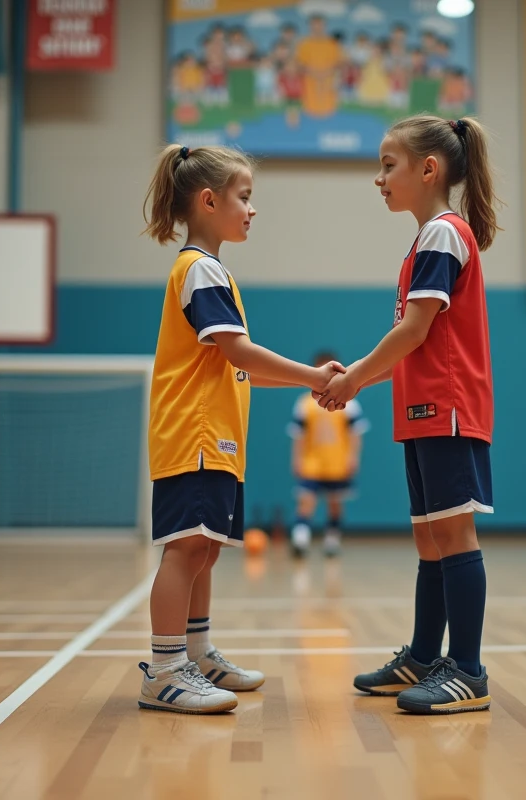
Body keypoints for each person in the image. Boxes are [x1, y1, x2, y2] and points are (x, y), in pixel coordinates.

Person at [139, 143, 343, 714]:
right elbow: (240, 350)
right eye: (244, 197)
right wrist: (312, 375)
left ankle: (198, 655)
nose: (252, 210)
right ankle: (163, 669)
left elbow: (236, 364)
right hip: (194, 435)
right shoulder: (199, 269)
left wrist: (307, 383)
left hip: (219, 438)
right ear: (208, 201)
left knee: (206, 550)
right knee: (186, 550)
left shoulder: (214, 271)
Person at [317, 115, 499, 715]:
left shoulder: (444, 234)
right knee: (429, 538)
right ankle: (425, 656)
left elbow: (414, 331)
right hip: (422, 411)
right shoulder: (426, 240)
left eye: (388, 165)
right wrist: (363, 381)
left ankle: (467, 670)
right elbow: (414, 339)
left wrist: (354, 380)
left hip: (447, 408)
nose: (379, 179)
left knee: (453, 533)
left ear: (429, 169)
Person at [288, 350, 368, 557]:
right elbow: (299, 435)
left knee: (335, 503)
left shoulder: (349, 402)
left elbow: (355, 433)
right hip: (312, 461)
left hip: (337, 461)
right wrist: (296, 459)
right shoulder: (304, 403)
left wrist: (353, 457)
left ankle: (332, 540)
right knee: (306, 500)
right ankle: (300, 539)